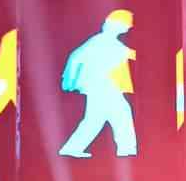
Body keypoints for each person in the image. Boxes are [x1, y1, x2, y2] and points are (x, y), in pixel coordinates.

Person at [58, 9, 139, 159]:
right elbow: (76, 57)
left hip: (102, 87)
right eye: (126, 24)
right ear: (116, 25)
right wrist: (70, 81)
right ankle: (126, 148)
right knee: (121, 114)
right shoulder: (103, 41)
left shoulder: (107, 42)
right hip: (105, 87)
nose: (128, 28)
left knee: (96, 119)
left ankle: (72, 148)